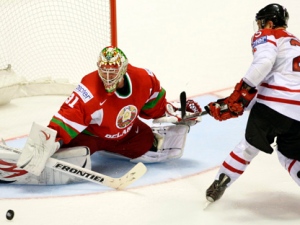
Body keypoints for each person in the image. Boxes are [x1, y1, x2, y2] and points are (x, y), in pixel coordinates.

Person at [15, 46, 202, 179]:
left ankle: (113, 149)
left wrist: (174, 111)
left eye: (112, 72)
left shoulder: (144, 78)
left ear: (124, 69)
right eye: (103, 71)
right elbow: (68, 117)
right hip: (91, 135)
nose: (107, 77)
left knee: (146, 141)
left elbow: (154, 104)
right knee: (71, 154)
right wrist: (51, 142)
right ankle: (28, 160)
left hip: (124, 133)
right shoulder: (90, 90)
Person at [204, 3, 300, 203]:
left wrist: (240, 94)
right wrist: (243, 103)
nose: (260, 28)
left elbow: (264, 62)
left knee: (247, 147)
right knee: (289, 155)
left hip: (274, 107)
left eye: (262, 23)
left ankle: (218, 185)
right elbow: (283, 83)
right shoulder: (296, 43)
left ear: (270, 23)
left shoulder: (269, 35)